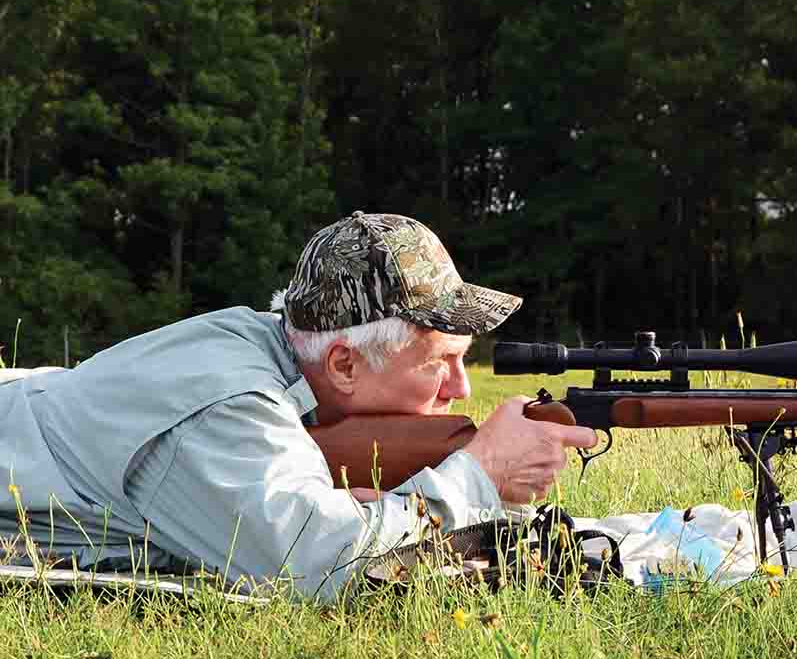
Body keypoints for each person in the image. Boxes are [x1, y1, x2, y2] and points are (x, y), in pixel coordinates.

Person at [0, 212, 597, 600]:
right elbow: (321, 569)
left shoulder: (273, 344)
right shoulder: (228, 407)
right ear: (343, 364)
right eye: (439, 360)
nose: (461, 388)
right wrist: (480, 475)